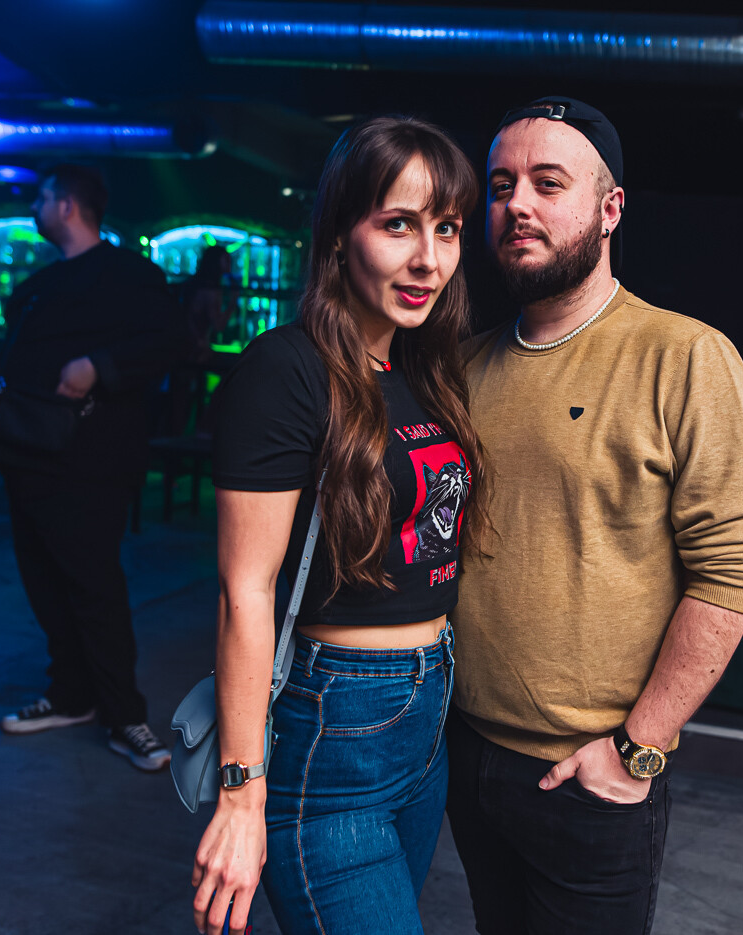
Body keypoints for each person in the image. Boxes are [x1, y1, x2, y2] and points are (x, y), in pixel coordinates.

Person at [447, 96, 743, 934]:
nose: (517, 204)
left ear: (610, 208)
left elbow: (734, 566)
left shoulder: (685, 355)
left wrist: (638, 747)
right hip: (461, 754)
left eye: (548, 183)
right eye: (501, 186)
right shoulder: (463, 366)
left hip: (589, 776)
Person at [191, 116, 487, 935]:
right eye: (398, 225)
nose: (428, 258)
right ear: (337, 235)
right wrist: (241, 794)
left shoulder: (423, 370)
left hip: (428, 722)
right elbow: (244, 592)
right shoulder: (285, 370)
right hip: (333, 731)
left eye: (447, 229)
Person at [0, 164, 182, 771]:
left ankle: (125, 716)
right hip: (24, 454)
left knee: (93, 586)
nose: (34, 207)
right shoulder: (40, 286)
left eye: (41, 198)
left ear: (67, 206)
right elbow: (34, 363)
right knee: (44, 582)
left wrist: (98, 366)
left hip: (90, 461)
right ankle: (71, 696)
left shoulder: (128, 274)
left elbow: (168, 341)